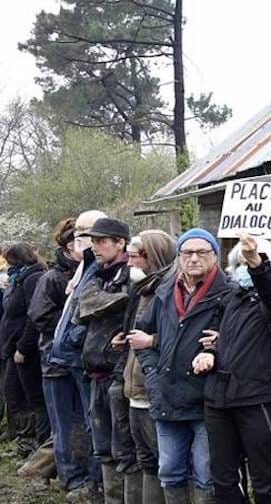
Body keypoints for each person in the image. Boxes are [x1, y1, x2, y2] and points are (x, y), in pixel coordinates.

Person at [136, 228, 230, 504]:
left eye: (202, 252)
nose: (194, 258)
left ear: (215, 255)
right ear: (178, 256)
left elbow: (244, 343)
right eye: (187, 252)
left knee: (205, 472)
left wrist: (218, 349)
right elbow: (142, 337)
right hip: (168, 396)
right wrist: (152, 373)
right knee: (169, 470)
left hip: (208, 399)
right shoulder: (164, 293)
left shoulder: (229, 294)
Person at [199, 234, 271, 504]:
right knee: (225, 482)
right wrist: (209, 353)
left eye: (248, 264)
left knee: (266, 484)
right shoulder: (229, 299)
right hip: (220, 399)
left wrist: (257, 263)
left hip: (259, 400)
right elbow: (216, 337)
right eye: (239, 264)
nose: (243, 269)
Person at [45, 210, 107, 502]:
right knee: (80, 421)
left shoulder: (101, 268)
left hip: (85, 358)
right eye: (78, 232)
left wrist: (71, 340)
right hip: (69, 357)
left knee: (94, 422)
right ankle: (85, 481)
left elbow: (92, 314)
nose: (80, 237)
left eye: (86, 231)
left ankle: (96, 483)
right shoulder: (85, 267)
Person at [73, 218, 136, 504]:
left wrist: (111, 299)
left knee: (125, 449)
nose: (95, 247)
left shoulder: (132, 274)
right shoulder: (99, 274)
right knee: (103, 447)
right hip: (95, 370)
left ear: (120, 242)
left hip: (119, 373)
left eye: (101, 241)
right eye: (93, 241)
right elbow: (82, 308)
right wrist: (112, 299)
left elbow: (131, 307)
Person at [29, 218, 92, 497]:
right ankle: (71, 477)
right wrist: (74, 328)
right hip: (56, 363)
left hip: (81, 362)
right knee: (64, 424)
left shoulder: (88, 274)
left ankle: (85, 474)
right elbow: (39, 315)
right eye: (80, 242)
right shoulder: (53, 278)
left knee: (85, 422)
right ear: (68, 248)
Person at [120, 229, 176, 504]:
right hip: (135, 391)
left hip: (155, 391)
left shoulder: (169, 291)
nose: (129, 262)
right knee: (146, 461)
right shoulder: (143, 289)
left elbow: (182, 338)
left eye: (135, 256)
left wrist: (151, 340)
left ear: (153, 256)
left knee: (165, 462)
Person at [2, 242, 49, 457]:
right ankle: (25, 441)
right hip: (12, 347)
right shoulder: (18, 279)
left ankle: (36, 446)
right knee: (13, 394)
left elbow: (33, 316)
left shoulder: (32, 279)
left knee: (33, 398)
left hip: (25, 349)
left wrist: (23, 346)